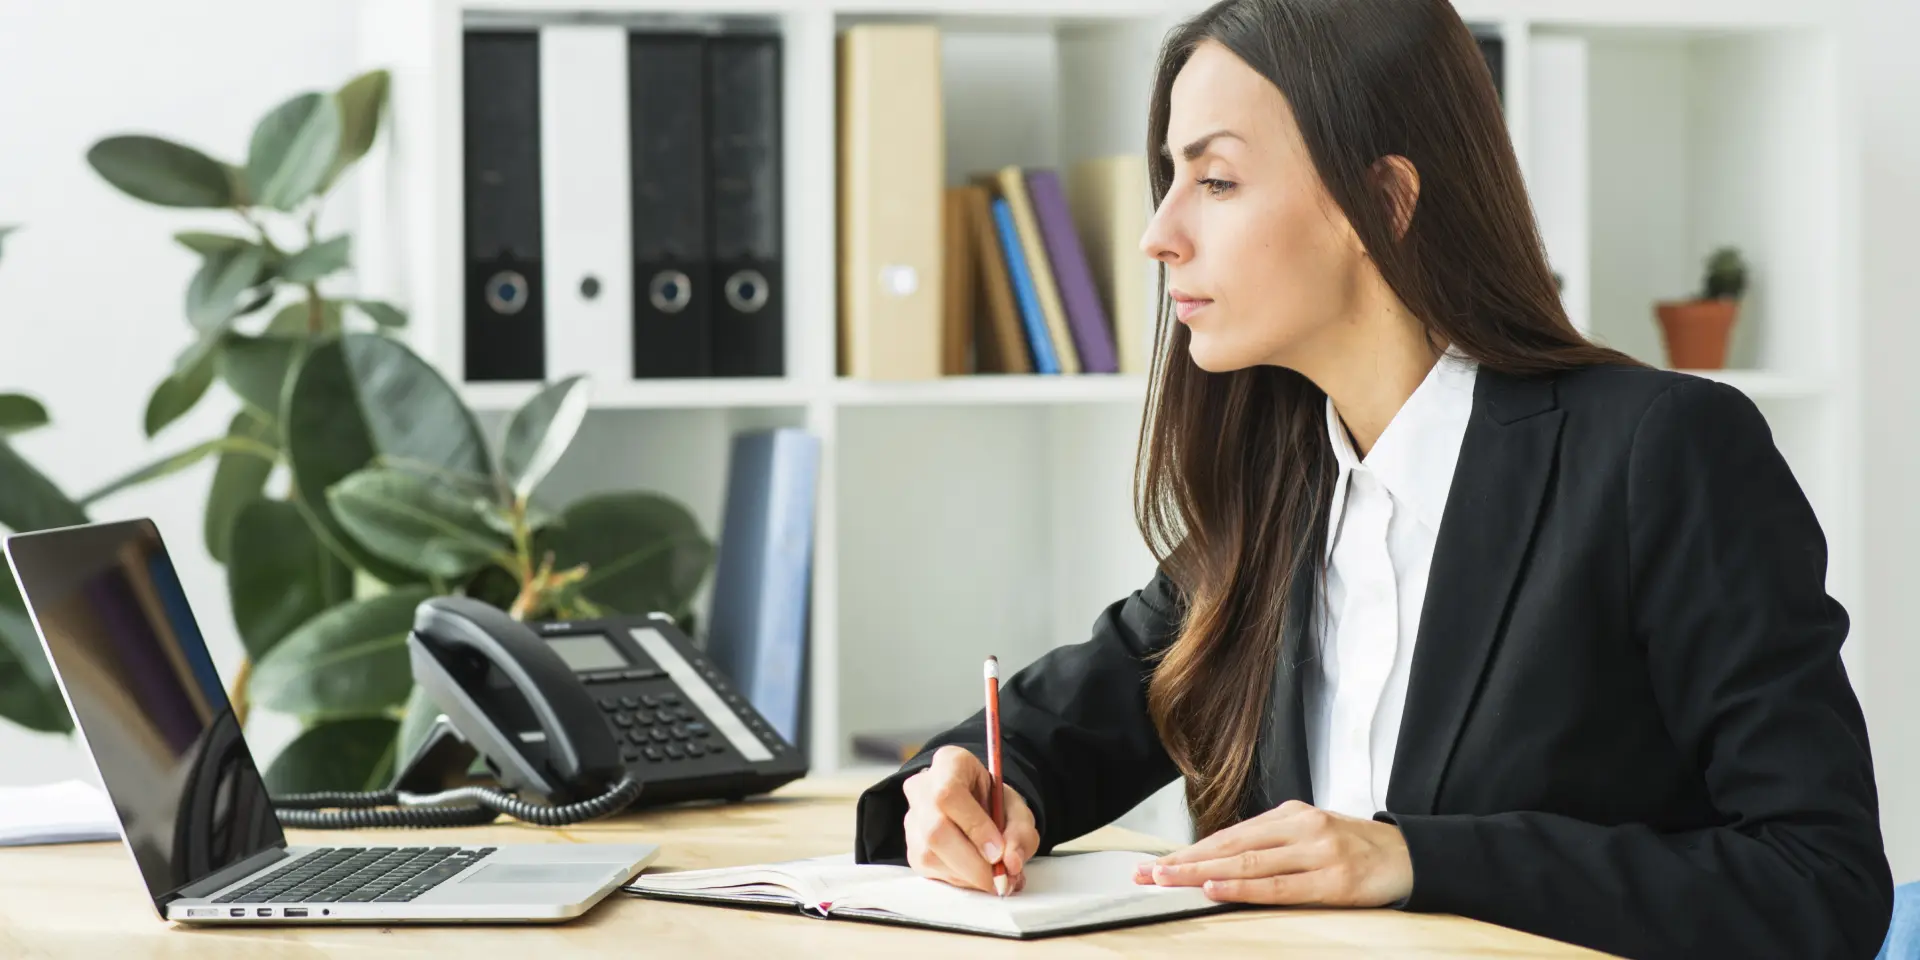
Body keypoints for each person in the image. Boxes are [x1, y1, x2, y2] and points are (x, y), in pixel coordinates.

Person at [850, 0, 1895, 956]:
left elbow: (1822, 884)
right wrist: (968, 797)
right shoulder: (1276, 501)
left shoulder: (1660, 453)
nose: (1157, 233)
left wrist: (1414, 858)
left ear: (1384, 200)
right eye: (1168, 178)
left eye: (1214, 180)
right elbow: (1036, 736)